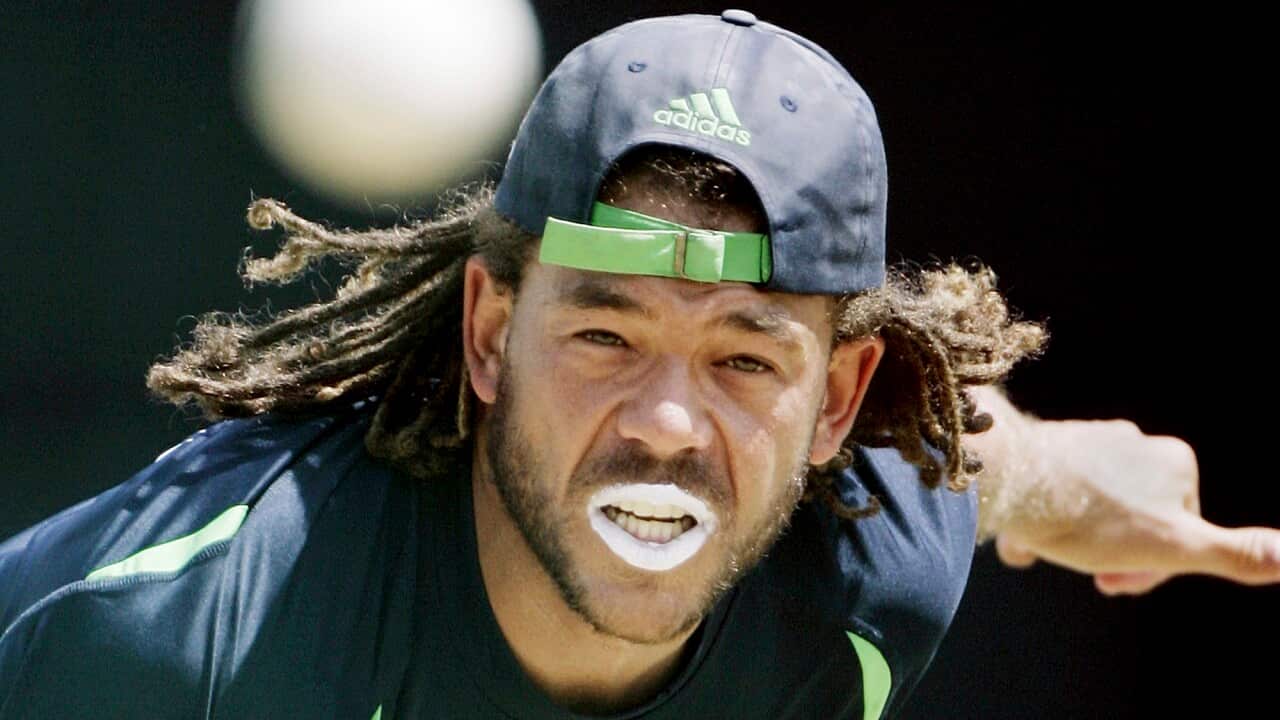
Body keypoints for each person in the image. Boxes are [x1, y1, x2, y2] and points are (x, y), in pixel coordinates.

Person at [1, 9, 1275, 719]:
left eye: (741, 358)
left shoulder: (857, 594)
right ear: (490, 332)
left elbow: (949, 452)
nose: (665, 423)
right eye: (604, 335)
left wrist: (1068, 472)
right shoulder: (180, 640)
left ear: (833, 401)